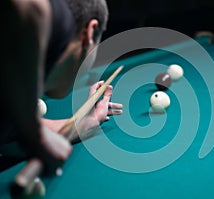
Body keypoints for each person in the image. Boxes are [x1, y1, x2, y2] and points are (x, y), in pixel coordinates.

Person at [0, 0, 122, 175]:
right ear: (90, 32)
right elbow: (30, 7)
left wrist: (88, 121)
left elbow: (12, 138)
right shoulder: (61, 23)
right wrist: (33, 132)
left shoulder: (14, 97)